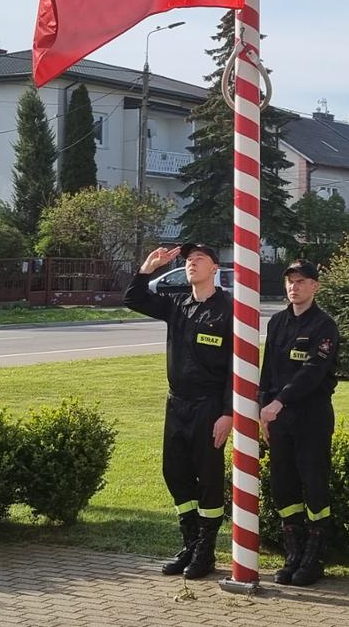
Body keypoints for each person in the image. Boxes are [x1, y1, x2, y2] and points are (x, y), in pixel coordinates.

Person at [126, 242, 232, 579]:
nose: (192, 264)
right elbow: (134, 299)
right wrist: (147, 269)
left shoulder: (228, 309)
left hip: (209, 406)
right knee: (175, 472)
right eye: (188, 260)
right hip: (177, 403)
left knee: (209, 478)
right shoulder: (178, 304)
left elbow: (236, 366)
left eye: (200, 259)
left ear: (215, 267)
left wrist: (228, 413)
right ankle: (189, 542)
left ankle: (206, 550)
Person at [259, 260, 341, 586]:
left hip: (311, 416)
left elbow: (312, 372)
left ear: (315, 286)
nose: (294, 287)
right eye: (290, 281)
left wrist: (279, 402)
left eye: (302, 281)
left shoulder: (324, 326)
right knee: (284, 487)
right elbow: (267, 371)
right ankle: (293, 554)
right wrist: (263, 407)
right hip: (278, 418)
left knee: (314, 485)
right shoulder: (278, 322)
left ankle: (314, 557)